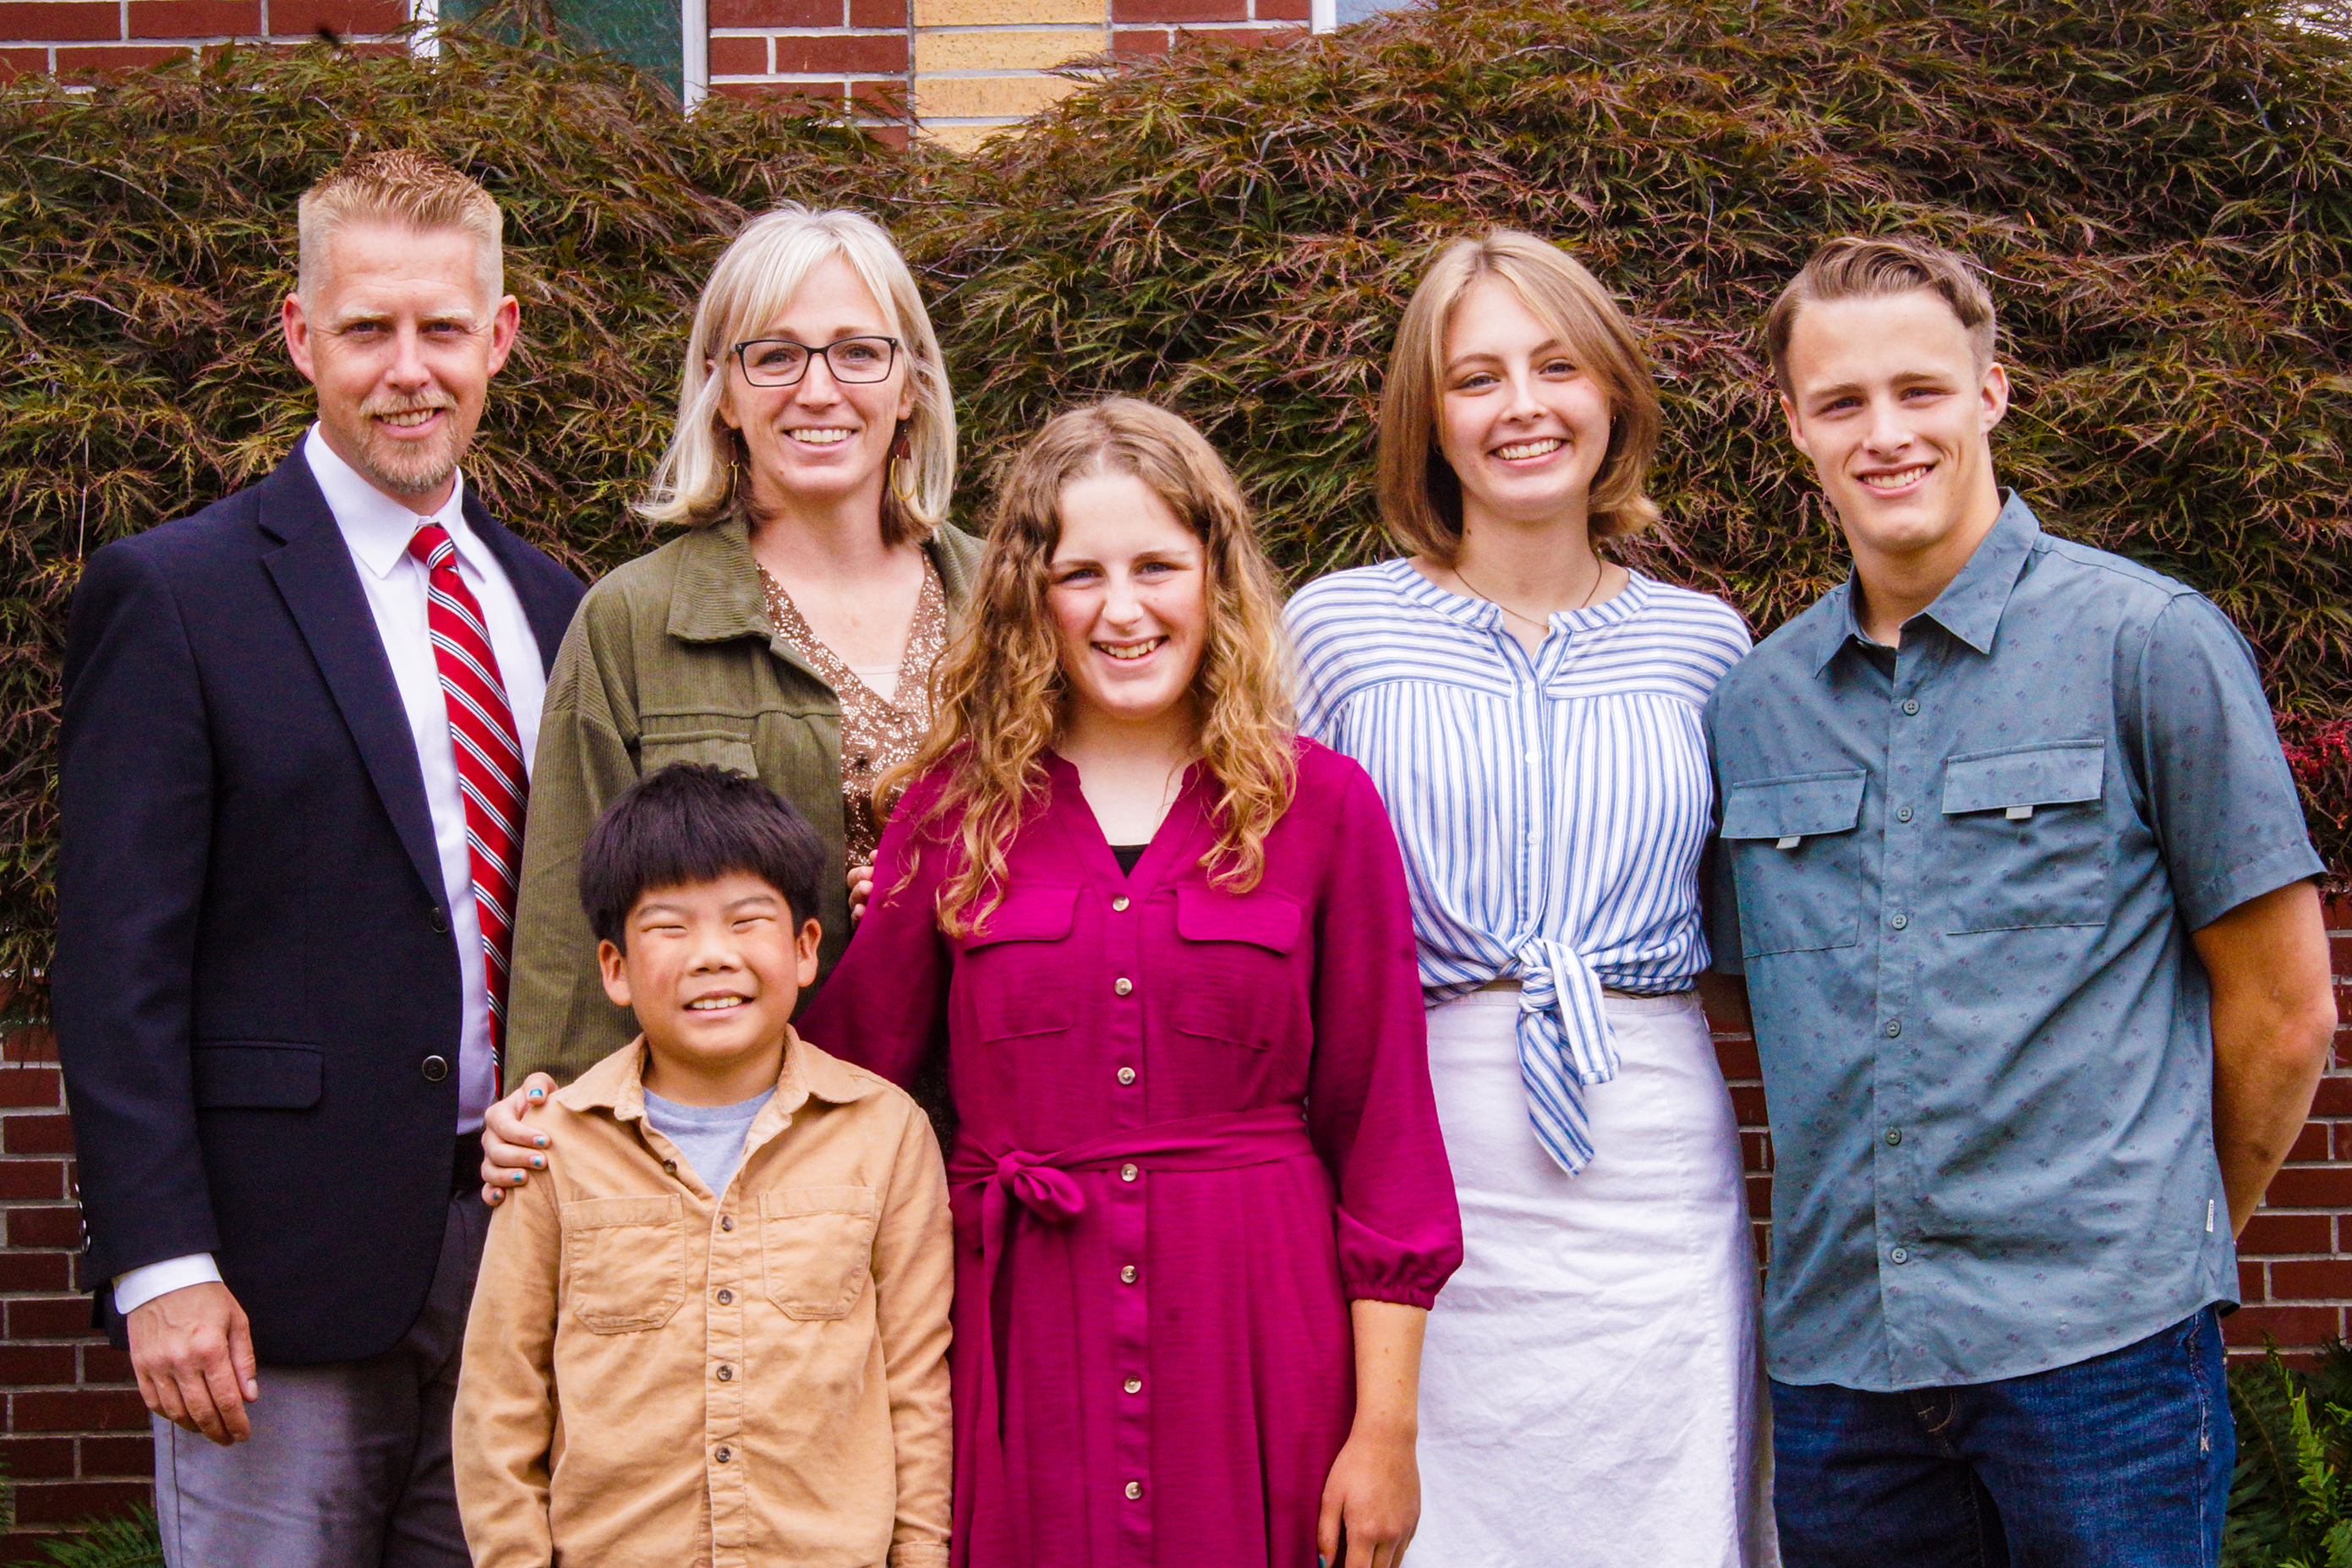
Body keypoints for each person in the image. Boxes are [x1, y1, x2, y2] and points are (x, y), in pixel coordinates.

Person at [1705, 234, 2338, 1565]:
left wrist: (2160, 1244)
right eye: (1841, 401)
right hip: (1842, 1372)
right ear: (1795, 426)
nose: (1885, 433)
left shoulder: (2146, 643)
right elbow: (1759, 1009)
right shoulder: (1754, 706)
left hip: (2101, 1357)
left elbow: (2282, 1010)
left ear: (1990, 393)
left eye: (1919, 389)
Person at [798, 396, 1462, 1568]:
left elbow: (1386, 1138)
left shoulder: (1322, 808)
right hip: (1019, 1347)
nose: (1121, 609)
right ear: (1028, 596)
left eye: (1156, 566)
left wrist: (1385, 1431)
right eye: (1080, 574)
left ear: (1214, 576)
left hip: (1256, 1341)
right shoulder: (952, 813)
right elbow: (840, 1089)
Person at [52, 150, 585, 1565]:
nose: (408, 370)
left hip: (518, 1258)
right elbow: (114, 966)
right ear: (301, 336)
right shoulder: (179, 593)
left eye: (441, 328)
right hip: (270, 1281)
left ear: (498, 336)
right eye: (366, 329)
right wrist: (161, 1262)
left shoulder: (551, 605)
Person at [1283, 230, 1774, 1566]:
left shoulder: (1704, 644)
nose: (1521, 406)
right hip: (1416, 1131)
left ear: (1609, 393)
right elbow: (1268, 896)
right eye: (1475, 377)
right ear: (1427, 417)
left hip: (1650, 1152)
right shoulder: (1333, 630)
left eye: (1555, 367)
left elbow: (1754, 923)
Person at [492, 202, 978, 1109]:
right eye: (776, 355)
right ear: (722, 389)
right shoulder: (633, 624)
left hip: (1004, 1136)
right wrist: (563, 1127)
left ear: (910, 382)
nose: (819, 390)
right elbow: (573, 944)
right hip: (736, 1152)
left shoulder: (1010, 604)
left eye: (858, 352)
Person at [453, 763, 953, 1568]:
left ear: (805, 949)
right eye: (669, 927)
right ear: (615, 967)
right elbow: (500, 1398)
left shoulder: (886, 1134)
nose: (713, 955)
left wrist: (920, 1555)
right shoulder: (554, 1147)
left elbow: (917, 1387)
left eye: (747, 920)